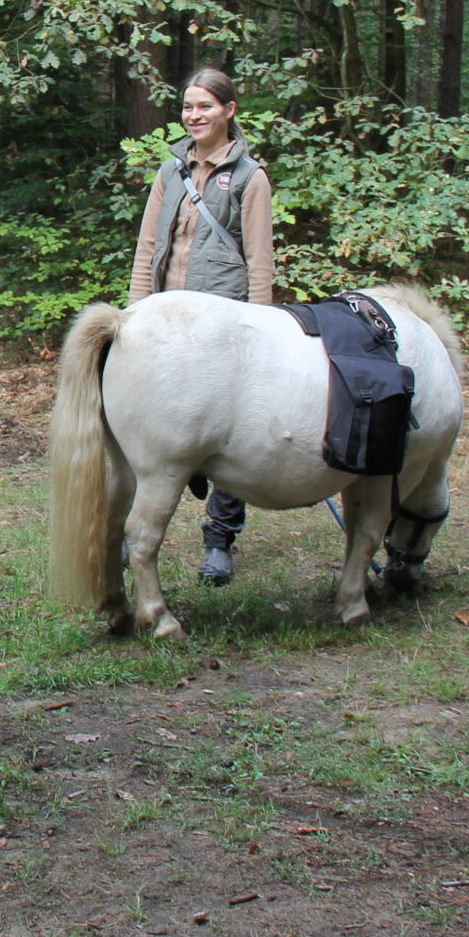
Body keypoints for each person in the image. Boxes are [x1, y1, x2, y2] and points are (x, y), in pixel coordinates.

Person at [127, 66, 276, 585]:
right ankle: (139, 529)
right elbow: (148, 249)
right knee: (151, 429)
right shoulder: (170, 173)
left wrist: (261, 325)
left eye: (205, 107)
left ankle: (220, 541)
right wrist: (134, 315)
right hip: (167, 323)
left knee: (227, 436)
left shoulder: (251, 178)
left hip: (225, 326)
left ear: (229, 111)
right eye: (188, 107)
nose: (194, 116)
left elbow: (260, 260)